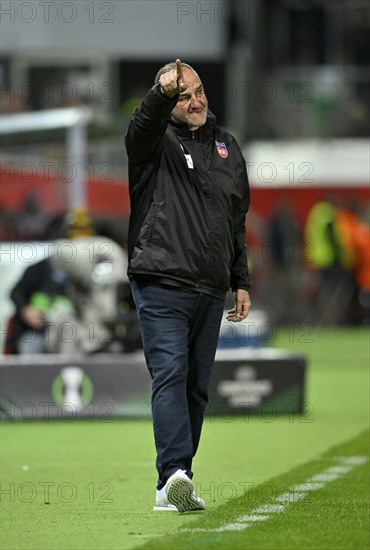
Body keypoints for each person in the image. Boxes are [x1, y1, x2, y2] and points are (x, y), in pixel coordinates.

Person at [125, 59, 251, 512]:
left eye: (198, 91)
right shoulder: (152, 142)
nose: (195, 101)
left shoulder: (227, 148)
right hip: (161, 279)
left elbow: (236, 220)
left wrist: (240, 279)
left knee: (196, 386)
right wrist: (161, 93)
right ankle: (172, 474)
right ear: (168, 102)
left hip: (210, 287)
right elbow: (140, 126)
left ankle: (177, 481)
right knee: (171, 374)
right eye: (183, 96)